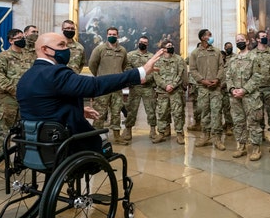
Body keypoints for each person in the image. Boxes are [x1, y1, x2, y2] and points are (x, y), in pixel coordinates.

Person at [17, 33, 164, 154]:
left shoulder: (27, 76)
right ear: (45, 49)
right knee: (101, 144)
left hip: (35, 144)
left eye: (66, 45)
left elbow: (44, 107)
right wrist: (141, 71)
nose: (66, 49)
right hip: (62, 144)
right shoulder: (56, 72)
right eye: (61, 45)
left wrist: (79, 110)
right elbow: (94, 85)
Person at [0, 29, 33, 158]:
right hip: (6, 101)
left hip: (24, 102)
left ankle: (22, 157)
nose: (22, 40)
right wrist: (14, 90)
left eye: (23, 37)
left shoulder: (29, 56)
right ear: (10, 40)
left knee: (23, 131)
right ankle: (0, 159)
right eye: (18, 38)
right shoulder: (3, 56)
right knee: (2, 131)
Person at [88, 27, 129, 145]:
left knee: (116, 112)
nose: (112, 36)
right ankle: (94, 136)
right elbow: (92, 64)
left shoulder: (122, 50)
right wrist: (100, 76)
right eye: (110, 34)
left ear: (118, 35)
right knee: (99, 112)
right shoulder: (100, 49)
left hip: (116, 87)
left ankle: (117, 136)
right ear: (106, 35)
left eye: (114, 34)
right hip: (103, 86)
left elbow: (124, 65)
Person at [226, 34, 264, 160]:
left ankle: (256, 148)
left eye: (242, 40)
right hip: (235, 97)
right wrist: (232, 89)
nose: (239, 42)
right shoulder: (232, 59)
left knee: (253, 122)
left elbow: (257, 76)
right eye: (237, 41)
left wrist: (245, 90)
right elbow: (228, 76)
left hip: (250, 96)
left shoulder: (254, 57)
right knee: (238, 122)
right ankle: (241, 146)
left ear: (247, 42)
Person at [190, 29, 225, 150]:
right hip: (203, 88)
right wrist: (202, 80)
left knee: (216, 112)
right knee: (204, 112)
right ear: (203, 38)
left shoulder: (217, 52)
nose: (211, 37)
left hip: (216, 88)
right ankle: (205, 136)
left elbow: (221, 66)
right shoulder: (195, 53)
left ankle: (217, 138)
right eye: (209, 35)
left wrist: (217, 79)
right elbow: (193, 70)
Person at [152, 40, 187, 144]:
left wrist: (173, 85)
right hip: (162, 92)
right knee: (162, 113)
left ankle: (179, 134)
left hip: (176, 91)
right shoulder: (158, 61)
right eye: (168, 46)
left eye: (172, 45)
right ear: (163, 49)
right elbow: (156, 75)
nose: (171, 47)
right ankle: (161, 133)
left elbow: (180, 74)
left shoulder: (179, 60)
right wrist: (165, 85)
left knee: (178, 113)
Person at [124, 36, 157, 141]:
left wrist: (146, 79)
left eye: (145, 42)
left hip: (148, 87)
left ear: (148, 44)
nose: (143, 43)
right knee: (131, 110)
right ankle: (128, 130)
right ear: (138, 42)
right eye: (141, 42)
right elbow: (127, 69)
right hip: (135, 87)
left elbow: (154, 71)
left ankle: (153, 130)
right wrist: (137, 78)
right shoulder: (130, 55)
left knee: (151, 109)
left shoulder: (152, 57)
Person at [250, 31, 270, 143]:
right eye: (262, 37)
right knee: (258, 114)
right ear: (257, 39)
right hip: (256, 88)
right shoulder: (251, 54)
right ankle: (260, 135)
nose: (265, 38)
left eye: (266, 36)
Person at [221, 42, 234, 136]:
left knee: (228, 107)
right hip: (218, 89)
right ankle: (224, 124)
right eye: (227, 47)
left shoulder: (234, 58)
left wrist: (225, 84)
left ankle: (229, 125)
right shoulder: (220, 63)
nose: (229, 48)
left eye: (231, 47)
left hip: (227, 88)